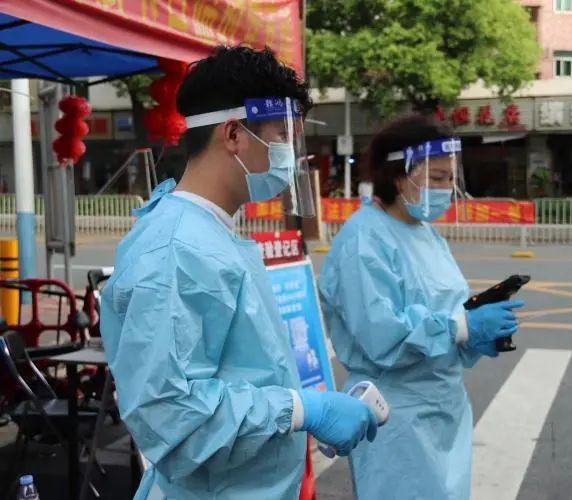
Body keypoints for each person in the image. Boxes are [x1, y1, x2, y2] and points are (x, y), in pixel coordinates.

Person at [100, 46, 378, 500]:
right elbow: (171, 415)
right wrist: (299, 409)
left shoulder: (209, 233)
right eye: (282, 135)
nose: (291, 154)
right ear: (233, 133)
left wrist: (298, 410)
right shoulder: (176, 249)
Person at [318, 115, 524, 500]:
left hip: (444, 408)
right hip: (395, 416)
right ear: (399, 177)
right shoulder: (364, 239)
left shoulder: (425, 233)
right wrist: (460, 328)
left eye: (451, 178)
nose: (447, 189)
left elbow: (447, 308)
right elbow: (382, 337)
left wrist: (472, 337)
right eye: (438, 177)